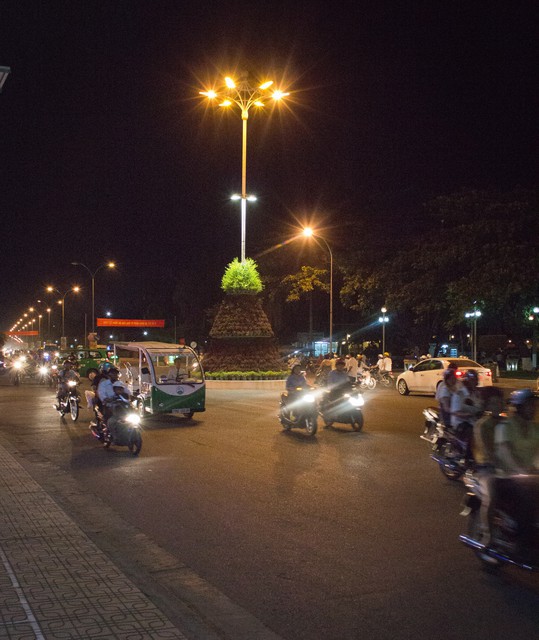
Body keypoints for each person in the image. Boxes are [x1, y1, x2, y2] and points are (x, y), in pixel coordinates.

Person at [471, 386, 505, 544]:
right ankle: (487, 535)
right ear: (487, 405)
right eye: (493, 403)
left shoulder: (507, 423)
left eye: (499, 402)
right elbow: (487, 450)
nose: (497, 405)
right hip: (488, 469)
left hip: (509, 468)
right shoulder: (482, 425)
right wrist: (498, 462)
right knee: (491, 497)